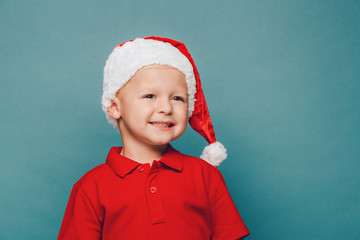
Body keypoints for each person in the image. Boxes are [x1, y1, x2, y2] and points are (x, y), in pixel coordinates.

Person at [57, 36, 250, 240]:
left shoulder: (205, 176)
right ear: (114, 107)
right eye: (150, 96)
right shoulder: (90, 187)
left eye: (177, 98)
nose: (166, 108)